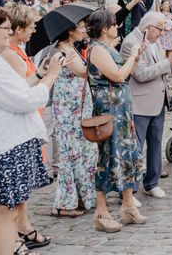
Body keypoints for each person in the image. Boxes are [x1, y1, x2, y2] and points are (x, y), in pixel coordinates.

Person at [0, 6, 63, 255]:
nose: (9, 32)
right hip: (5, 146)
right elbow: (27, 101)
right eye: (5, 28)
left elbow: (17, 92)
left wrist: (39, 74)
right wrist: (52, 78)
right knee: (7, 210)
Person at [86, 9, 147, 232]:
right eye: (113, 24)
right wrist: (131, 57)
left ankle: (128, 205)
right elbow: (118, 76)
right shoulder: (96, 49)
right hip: (109, 111)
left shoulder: (109, 48)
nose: (117, 27)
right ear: (104, 28)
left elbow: (124, 75)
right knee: (108, 156)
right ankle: (101, 212)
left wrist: (136, 56)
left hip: (122, 109)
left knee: (127, 154)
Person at [120, 12, 172, 199]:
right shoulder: (130, 43)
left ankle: (152, 182)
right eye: (160, 29)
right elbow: (141, 74)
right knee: (136, 147)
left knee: (156, 143)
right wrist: (169, 61)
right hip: (140, 102)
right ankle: (130, 190)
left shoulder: (154, 40)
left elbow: (161, 67)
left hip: (159, 99)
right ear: (148, 27)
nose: (162, 33)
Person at [51, 19, 97, 217]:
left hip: (75, 106)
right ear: (70, 31)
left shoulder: (70, 48)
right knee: (72, 153)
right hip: (70, 110)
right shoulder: (66, 51)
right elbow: (84, 72)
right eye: (80, 28)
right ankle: (65, 203)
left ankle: (79, 196)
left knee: (81, 152)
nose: (84, 31)